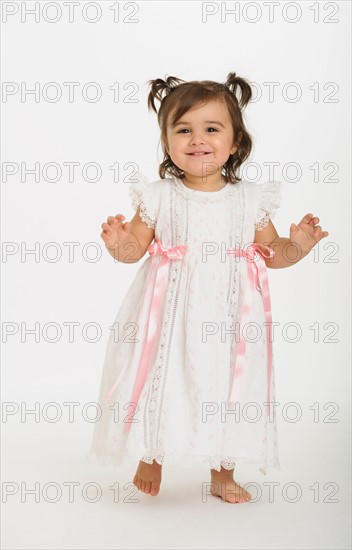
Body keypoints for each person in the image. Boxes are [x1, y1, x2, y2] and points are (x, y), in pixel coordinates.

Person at [87, 72, 329, 504]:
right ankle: (152, 453)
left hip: (232, 313)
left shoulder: (249, 199)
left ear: (235, 142)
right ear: (167, 141)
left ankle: (223, 471)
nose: (197, 139)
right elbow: (136, 249)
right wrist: (118, 243)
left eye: (211, 129)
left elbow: (272, 252)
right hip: (170, 311)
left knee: (231, 386)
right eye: (183, 130)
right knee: (163, 379)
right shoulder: (159, 195)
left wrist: (298, 246)